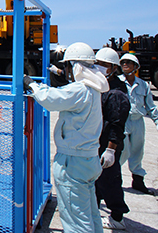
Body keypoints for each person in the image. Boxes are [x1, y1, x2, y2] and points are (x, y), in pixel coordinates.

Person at [24, 42, 109, 233]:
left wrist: (32, 85)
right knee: (90, 214)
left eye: (68, 66)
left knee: (76, 221)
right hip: (89, 159)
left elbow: (51, 99)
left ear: (76, 66)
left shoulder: (80, 90)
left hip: (73, 162)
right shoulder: (94, 89)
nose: (66, 70)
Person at [94, 47, 130, 230]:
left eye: (104, 65)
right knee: (97, 179)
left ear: (113, 68)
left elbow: (117, 124)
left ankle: (117, 216)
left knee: (110, 180)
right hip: (98, 141)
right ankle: (96, 209)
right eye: (97, 63)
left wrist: (110, 150)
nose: (100, 67)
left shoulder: (116, 92)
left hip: (109, 143)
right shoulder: (102, 85)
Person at [119, 53, 158, 195]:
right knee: (122, 151)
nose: (125, 65)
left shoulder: (143, 85)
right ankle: (112, 180)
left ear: (135, 67)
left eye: (129, 62)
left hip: (137, 122)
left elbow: (150, 106)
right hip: (122, 121)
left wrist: (157, 120)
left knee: (137, 150)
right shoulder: (117, 83)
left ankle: (138, 180)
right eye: (123, 62)